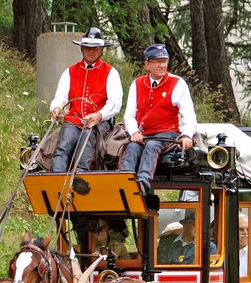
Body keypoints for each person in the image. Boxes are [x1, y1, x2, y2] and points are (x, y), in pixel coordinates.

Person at [119, 44, 197, 193]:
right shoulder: (137, 83)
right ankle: (123, 184)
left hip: (167, 132)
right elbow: (129, 114)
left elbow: (189, 113)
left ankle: (142, 184)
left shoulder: (177, 83)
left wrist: (187, 134)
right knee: (132, 147)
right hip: (144, 133)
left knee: (152, 146)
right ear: (147, 64)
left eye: (164, 61)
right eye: (157, 61)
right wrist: (134, 132)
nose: (162, 65)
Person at [49, 27, 123, 173]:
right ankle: (56, 179)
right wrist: (56, 107)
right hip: (74, 119)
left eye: (95, 48)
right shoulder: (69, 72)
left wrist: (99, 115)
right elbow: (60, 97)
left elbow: (115, 102)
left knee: (86, 138)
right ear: (82, 48)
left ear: (101, 49)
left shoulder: (111, 72)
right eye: (88, 47)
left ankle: (80, 176)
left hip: (100, 120)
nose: (91, 51)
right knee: (63, 144)